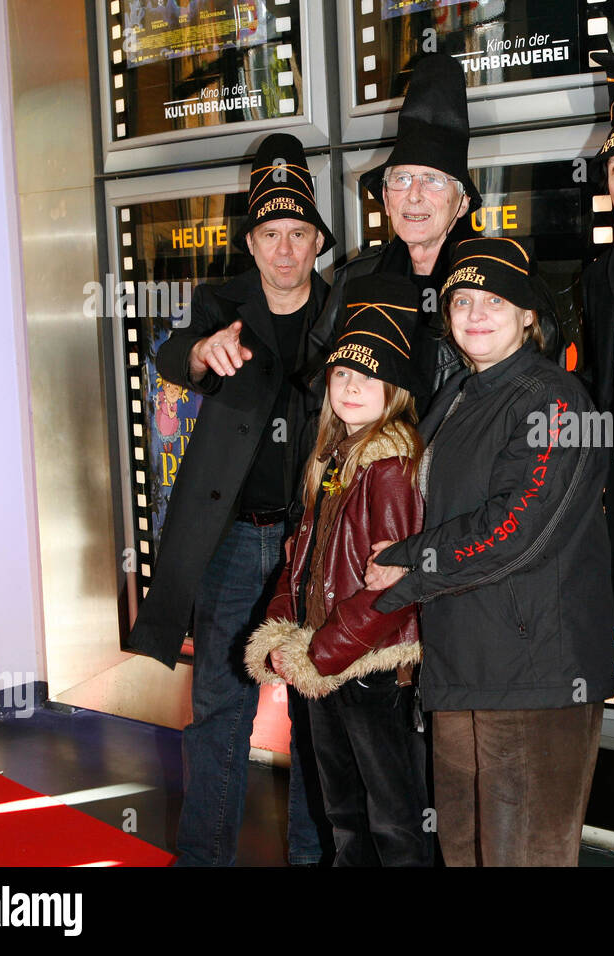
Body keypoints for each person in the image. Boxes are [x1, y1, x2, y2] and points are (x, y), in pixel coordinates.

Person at [364, 237, 614, 866]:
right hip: (461, 663)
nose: (475, 314)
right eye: (462, 301)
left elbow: (515, 529)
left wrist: (407, 563)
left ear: (530, 314)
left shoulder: (551, 400)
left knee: (523, 855)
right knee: (465, 850)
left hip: (531, 671)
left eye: (495, 301)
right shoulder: (457, 396)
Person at [127, 133, 334, 866]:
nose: (285, 250)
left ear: (317, 241)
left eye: (298, 234)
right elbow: (169, 351)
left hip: (318, 546)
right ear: (251, 243)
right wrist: (197, 354)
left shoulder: (343, 314)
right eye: (271, 234)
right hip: (232, 542)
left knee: (318, 714)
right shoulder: (221, 304)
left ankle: (316, 858)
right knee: (219, 713)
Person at [244, 276, 431, 866]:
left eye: (367, 377)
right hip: (325, 662)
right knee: (342, 813)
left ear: (394, 388)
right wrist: (282, 632)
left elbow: (396, 586)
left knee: (393, 820)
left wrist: (321, 654)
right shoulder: (335, 458)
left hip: (368, 669)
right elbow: (300, 555)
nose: (350, 387)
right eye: (342, 374)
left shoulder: (391, 465)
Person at [311, 53, 484, 418]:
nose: (415, 195)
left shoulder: (497, 286)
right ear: (386, 200)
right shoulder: (354, 280)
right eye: (401, 179)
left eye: (433, 180)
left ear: (463, 202)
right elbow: (316, 389)